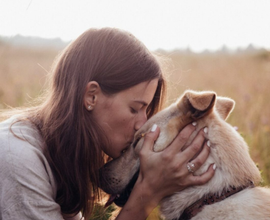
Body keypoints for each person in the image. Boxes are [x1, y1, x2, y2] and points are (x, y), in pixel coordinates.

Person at [0, 27, 215, 220]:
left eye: (147, 110)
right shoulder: (18, 158)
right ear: (91, 96)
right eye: (134, 109)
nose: (142, 125)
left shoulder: (63, 156)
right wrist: (148, 192)